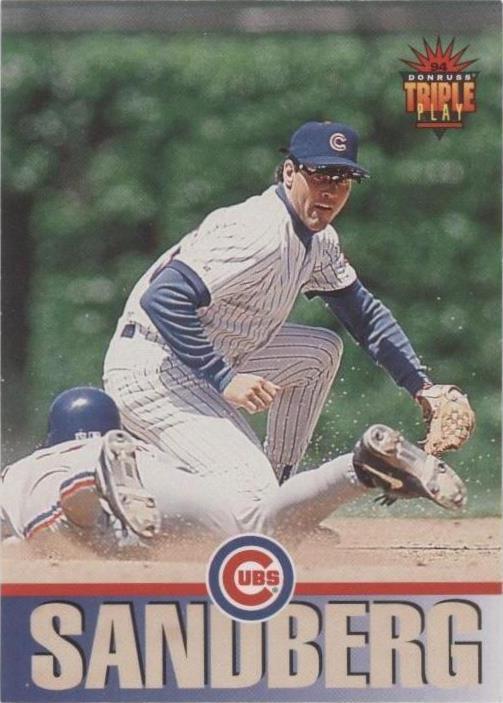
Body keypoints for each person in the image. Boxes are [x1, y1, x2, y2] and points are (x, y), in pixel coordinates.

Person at [102, 120, 473, 532]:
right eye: (320, 175)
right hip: (154, 368)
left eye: (343, 179)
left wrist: (422, 386)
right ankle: (135, 480)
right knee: (249, 509)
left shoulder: (320, 240)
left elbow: (364, 315)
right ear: (290, 172)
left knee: (319, 352)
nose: (330, 190)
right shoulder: (259, 231)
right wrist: (224, 377)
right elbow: (163, 298)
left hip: (204, 354)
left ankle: (283, 497)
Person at [1, 387, 466, 555]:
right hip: (148, 473)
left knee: (62, 530)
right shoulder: (141, 450)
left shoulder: (29, 467)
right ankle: (359, 467)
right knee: (254, 532)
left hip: (77, 478)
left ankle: (88, 486)